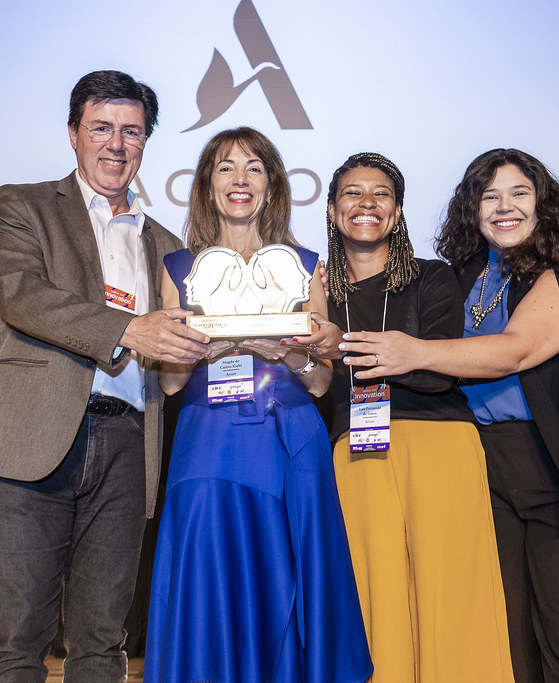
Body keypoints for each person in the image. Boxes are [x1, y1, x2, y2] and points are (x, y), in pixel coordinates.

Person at [339, 148, 559, 682]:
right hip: (488, 476)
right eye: (490, 196)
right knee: (506, 649)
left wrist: (415, 352)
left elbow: (519, 349)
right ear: (472, 209)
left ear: (542, 202)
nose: (505, 207)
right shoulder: (467, 274)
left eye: (519, 194)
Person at [0, 70, 212, 682]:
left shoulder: (166, 243)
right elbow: (21, 296)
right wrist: (129, 329)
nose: (116, 144)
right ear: (73, 134)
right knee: (16, 638)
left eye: (132, 131)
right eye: (101, 128)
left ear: (146, 142)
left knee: (103, 642)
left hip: (128, 445)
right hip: (30, 439)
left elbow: (175, 345)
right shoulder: (23, 205)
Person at [143, 127, 372, 682]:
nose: (239, 180)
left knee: (288, 575)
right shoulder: (179, 267)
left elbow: (319, 382)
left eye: (253, 168)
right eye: (225, 168)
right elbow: (171, 384)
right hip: (211, 443)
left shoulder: (305, 265)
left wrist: (289, 352)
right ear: (206, 186)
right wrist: (210, 347)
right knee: (208, 576)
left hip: (288, 439)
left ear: (271, 186)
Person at [322, 153, 513, 682]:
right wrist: (399, 352)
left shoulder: (434, 277)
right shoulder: (316, 287)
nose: (366, 203)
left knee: (452, 590)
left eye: (380, 193)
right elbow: (315, 378)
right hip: (356, 446)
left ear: (398, 211)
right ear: (334, 209)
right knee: (371, 591)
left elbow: (436, 376)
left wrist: (357, 351)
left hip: (440, 443)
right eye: (352, 193)